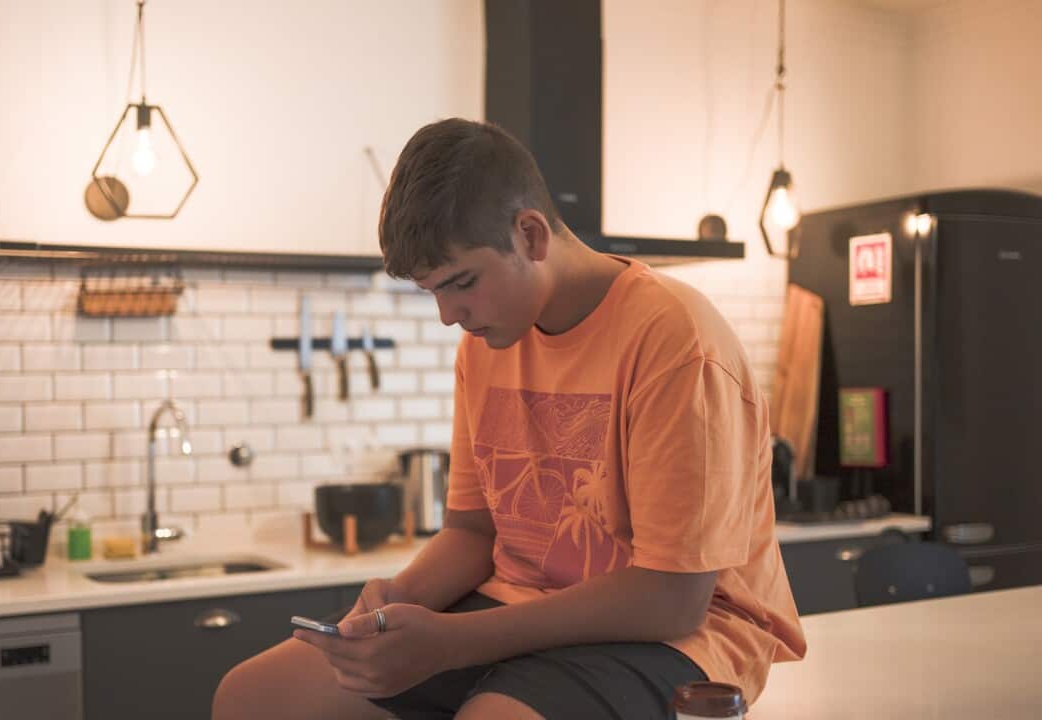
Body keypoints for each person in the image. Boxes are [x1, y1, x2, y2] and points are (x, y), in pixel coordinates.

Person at [213, 118, 806, 720]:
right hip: (513, 609)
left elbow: (672, 597)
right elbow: (473, 533)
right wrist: (395, 603)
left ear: (530, 235)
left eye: (461, 283)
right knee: (251, 697)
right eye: (432, 293)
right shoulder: (484, 346)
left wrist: (448, 643)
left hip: (678, 636)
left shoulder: (676, 340)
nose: (448, 315)